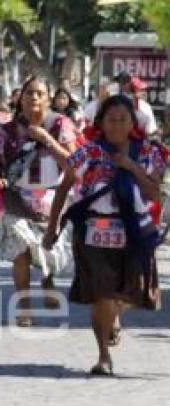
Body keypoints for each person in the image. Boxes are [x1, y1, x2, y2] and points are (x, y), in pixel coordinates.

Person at [43, 95, 167, 375]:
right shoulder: (88, 152)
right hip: (92, 232)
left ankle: (114, 317)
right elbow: (64, 188)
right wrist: (52, 228)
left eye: (123, 119)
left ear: (133, 123)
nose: (117, 125)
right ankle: (103, 355)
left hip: (132, 232)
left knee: (129, 291)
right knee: (100, 293)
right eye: (111, 119)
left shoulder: (149, 152)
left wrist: (131, 166)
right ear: (100, 123)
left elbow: (153, 193)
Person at [0, 76, 78, 327]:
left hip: (51, 197)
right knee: (20, 252)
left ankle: (47, 278)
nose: (34, 97)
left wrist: (46, 139)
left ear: (48, 99)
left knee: (47, 249)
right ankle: (23, 305)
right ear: (19, 98)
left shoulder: (61, 124)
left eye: (40, 93)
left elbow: (73, 163)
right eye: (29, 93)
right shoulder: (8, 130)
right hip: (16, 197)